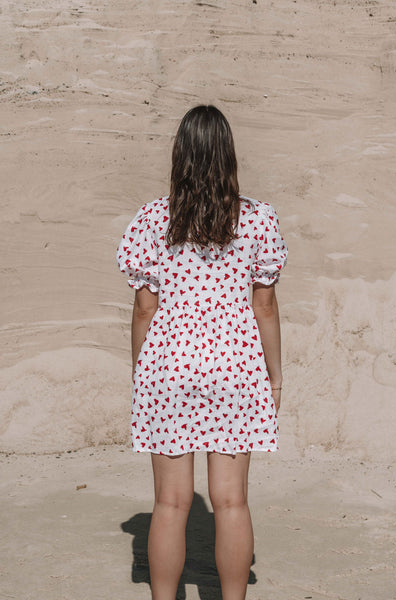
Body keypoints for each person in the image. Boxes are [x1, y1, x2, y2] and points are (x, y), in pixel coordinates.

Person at [116, 105, 288, 600]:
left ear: (180, 156)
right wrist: (274, 378)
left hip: (170, 365)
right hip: (235, 366)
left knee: (170, 504)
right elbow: (267, 307)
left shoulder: (154, 218)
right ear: (228, 155)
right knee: (231, 502)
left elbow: (144, 311)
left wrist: (141, 372)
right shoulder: (256, 219)